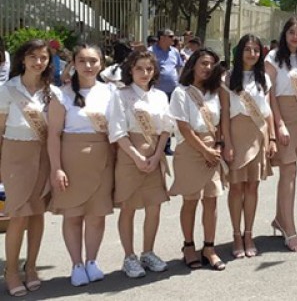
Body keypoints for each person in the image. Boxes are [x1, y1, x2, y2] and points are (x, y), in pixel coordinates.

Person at [47, 45, 114, 286]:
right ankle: (76, 263)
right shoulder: (62, 95)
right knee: (73, 215)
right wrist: (57, 168)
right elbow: (53, 135)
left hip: (103, 158)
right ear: (73, 63)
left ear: (101, 64)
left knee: (97, 214)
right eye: (82, 61)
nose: (88, 66)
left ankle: (92, 260)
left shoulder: (110, 92)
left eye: (93, 61)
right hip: (71, 160)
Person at [0, 40, 58, 296]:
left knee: (37, 213)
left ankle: (31, 267)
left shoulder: (52, 92)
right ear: (22, 59)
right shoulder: (8, 89)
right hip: (15, 155)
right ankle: (11, 271)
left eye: (43, 57)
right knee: (19, 214)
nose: (38, 62)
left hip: (43, 155)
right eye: (32, 56)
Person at [108, 50, 172, 278]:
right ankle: (129, 257)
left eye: (149, 68)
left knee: (154, 207)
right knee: (129, 207)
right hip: (129, 156)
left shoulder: (160, 96)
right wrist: (136, 156)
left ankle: (148, 252)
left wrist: (157, 155)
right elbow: (117, 130)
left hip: (155, 155)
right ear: (130, 70)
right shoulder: (120, 95)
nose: (145, 73)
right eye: (139, 68)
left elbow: (166, 128)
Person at [168, 48, 227, 271]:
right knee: (190, 199)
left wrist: (217, 146)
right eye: (203, 63)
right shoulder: (181, 92)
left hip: (212, 149)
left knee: (211, 199)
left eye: (211, 64)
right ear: (193, 64)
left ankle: (209, 247)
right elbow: (184, 127)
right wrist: (205, 151)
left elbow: (219, 123)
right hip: (190, 149)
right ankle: (189, 246)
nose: (207, 68)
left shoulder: (215, 93)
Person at [225, 35, 276, 258]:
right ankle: (236, 235)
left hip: (258, 134)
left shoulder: (264, 78)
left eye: (256, 50)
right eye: (247, 49)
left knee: (253, 187)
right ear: (240, 52)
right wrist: (226, 143)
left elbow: (268, 110)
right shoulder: (227, 78)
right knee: (236, 188)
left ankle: (248, 234)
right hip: (236, 135)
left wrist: (272, 138)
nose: (252, 54)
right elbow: (224, 115)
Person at [265, 17, 297, 252]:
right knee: (289, 171)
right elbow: (269, 93)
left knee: (290, 172)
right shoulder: (273, 58)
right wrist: (279, 124)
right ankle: (290, 229)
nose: (295, 37)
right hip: (281, 115)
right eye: (291, 32)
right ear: (284, 34)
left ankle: (280, 218)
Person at [149, 29, 183, 155]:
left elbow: (179, 67)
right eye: (171, 36)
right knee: (157, 118)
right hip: (156, 91)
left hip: (172, 91)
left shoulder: (174, 51)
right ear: (162, 38)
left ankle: (166, 145)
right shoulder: (151, 51)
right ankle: (154, 143)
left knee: (169, 119)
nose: (174, 39)